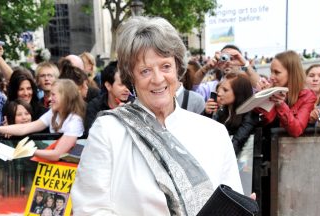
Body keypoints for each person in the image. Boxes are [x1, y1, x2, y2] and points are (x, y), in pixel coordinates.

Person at [71, 16, 243, 215]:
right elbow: (89, 209)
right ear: (131, 77)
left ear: (178, 68)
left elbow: (232, 200)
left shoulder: (214, 133)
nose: (158, 79)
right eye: (145, 71)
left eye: (165, 66)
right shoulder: (108, 132)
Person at [0, 79, 85, 161]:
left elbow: (57, 154)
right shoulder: (53, 113)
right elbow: (26, 128)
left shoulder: (74, 121)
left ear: (65, 97)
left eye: (53, 95)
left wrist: (28, 151)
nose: (50, 98)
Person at [256, 50, 317, 137]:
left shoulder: (307, 96)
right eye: (271, 72)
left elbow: (296, 130)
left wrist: (281, 105)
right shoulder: (272, 89)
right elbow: (266, 120)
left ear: (291, 73)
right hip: (267, 145)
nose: (271, 77)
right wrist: (262, 96)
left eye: (277, 72)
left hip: (288, 148)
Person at [203, 73, 259, 156]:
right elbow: (206, 133)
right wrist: (207, 113)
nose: (219, 93)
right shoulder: (222, 111)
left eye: (225, 90)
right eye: (220, 89)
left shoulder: (249, 114)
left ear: (239, 93)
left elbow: (237, 142)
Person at [84, 61, 131, 132]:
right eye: (121, 84)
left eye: (128, 84)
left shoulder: (134, 105)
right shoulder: (95, 106)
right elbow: (91, 134)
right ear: (108, 86)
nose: (127, 89)